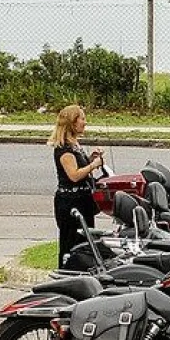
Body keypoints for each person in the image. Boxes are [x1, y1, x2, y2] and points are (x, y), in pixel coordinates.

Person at [48, 104, 103, 269]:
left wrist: (90, 159)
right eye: (82, 119)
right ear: (72, 123)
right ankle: (69, 271)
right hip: (71, 202)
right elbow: (74, 175)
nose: (85, 123)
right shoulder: (65, 149)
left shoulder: (75, 145)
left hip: (82, 200)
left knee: (86, 240)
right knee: (72, 241)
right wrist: (93, 165)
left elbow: (80, 167)